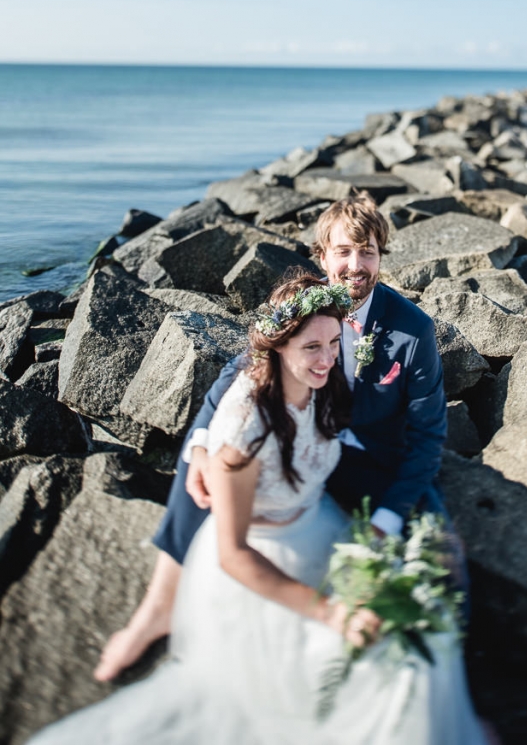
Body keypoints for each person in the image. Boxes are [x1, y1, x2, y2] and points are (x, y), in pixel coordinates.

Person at [30, 273, 488, 745]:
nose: (329, 357)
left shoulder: (325, 380)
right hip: (261, 571)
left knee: (422, 620)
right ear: (278, 346)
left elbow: (404, 423)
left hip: (322, 531)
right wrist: (330, 612)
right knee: (385, 665)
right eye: (312, 347)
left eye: (334, 342)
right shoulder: (246, 424)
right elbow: (234, 555)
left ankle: (450, 724)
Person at [96, 190, 457, 682]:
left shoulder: (412, 330)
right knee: (200, 458)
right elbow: (233, 377)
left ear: (381, 255)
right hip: (298, 444)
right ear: (322, 256)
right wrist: (200, 443)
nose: (356, 265)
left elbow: (428, 436)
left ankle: (441, 669)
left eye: (368, 251)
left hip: (370, 458)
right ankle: (157, 608)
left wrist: (388, 518)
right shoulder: (302, 307)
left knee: (437, 539)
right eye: (344, 252)